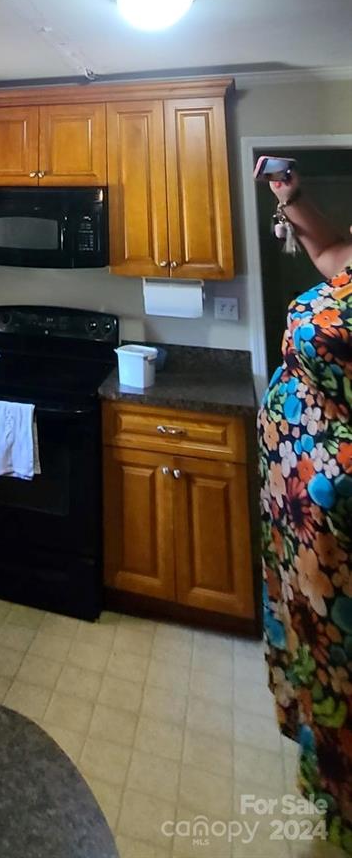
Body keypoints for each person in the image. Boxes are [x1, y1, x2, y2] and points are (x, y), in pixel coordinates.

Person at [257, 168, 352, 852]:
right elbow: (329, 252)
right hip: (300, 514)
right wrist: (288, 198)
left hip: (336, 518)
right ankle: (326, 778)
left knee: (339, 659)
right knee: (318, 649)